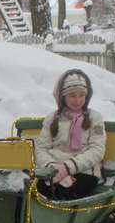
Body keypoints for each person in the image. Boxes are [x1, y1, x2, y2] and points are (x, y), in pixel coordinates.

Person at [34, 69, 106, 201]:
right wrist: (53, 169)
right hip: (53, 171)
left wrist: (67, 168)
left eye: (81, 95)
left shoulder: (94, 117)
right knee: (34, 194)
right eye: (72, 95)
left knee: (62, 195)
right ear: (62, 96)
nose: (78, 100)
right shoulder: (53, 118)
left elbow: (97, 150)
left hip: (83, 172)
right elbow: (41, 148)